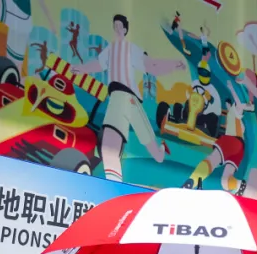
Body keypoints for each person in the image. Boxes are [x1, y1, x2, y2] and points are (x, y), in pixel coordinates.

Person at [74, 15, 186, 183]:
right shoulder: (110, 50)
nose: (117, 29)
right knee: (109, 147)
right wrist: (82, 68)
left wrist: (174, 65)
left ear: (125, 30)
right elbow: (98, 64)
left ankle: (161, 149)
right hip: (117, 98)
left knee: (157, 155)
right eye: (115, 26)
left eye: (120, 26)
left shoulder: (130, 49)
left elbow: (151, 66)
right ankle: (114, 187)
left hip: (129, 99)